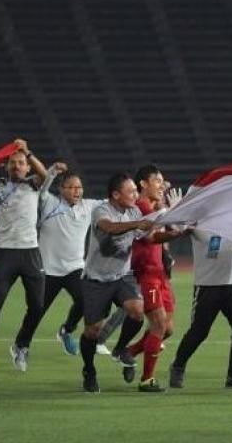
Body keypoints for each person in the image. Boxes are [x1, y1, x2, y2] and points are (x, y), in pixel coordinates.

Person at [0, 140, 48, 379]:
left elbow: (45, 175)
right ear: (7, 167)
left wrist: (28, 151)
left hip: (30, 252)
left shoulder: (33, 184)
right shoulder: (0, 184)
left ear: (27, 167)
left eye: (21, 163)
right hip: (5, 252)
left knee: (37, 306)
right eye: (13, 163)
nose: (17, 166)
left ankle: (21, 346)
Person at [79, 173, 153, 393]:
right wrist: (137, 223)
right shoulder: (101, 210)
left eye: (135, 191)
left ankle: (120, 349)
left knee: (137, 310)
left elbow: (148, 238)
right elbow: (109, 227)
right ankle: (89, 370)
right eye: (130, 191)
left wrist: (176, 233)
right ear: (115, 194)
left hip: (121, 276)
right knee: (93, 331)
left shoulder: (134, 211)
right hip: (96, 279)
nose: (135, 195)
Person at [25, 163, 104, 356]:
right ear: (61, 189)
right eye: (71, 187)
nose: (77, 191)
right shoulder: (50, 202)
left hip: (75, 268)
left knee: (86, 301)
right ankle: (22, 346)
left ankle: (66, 330)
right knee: (37, 311)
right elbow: (42, 190)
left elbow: (115, 202)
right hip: (48, 270)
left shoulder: (89, 206)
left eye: (79, 187)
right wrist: (51, 172)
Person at [123, 164, 186, 392]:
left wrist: (176, 225)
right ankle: (147, 379)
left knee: (167, 329)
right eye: (157, 181)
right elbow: (150, 238)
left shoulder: (153, 205)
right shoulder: (140, 206)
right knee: (158, 324)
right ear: (143, 184)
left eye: (162, 181)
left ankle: (128, 352)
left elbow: (165, 230)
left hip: (160, 274)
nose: (162, 185)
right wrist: (169, 214)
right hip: (146, 273)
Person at [168, 229, 232, 390]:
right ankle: (178, 366)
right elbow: (178, 229)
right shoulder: (199, 220)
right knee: (199, 331)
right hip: (208, 285)